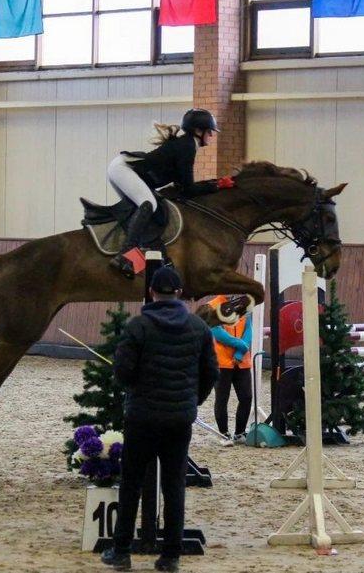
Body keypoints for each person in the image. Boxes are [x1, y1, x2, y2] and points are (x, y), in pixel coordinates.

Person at [101, 266, 219, 572]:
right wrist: (192, 401)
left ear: (152, 292)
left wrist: (135, 387)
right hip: (179, 419)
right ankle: (170, 556)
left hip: (141, 417)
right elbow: (211, 373)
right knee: (174, 484)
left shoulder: (138, 326)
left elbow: (123, 372)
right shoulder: (198, 327)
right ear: (179, 293)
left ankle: (122, 550)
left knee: (131, 484)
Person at [107, 108, 233, 278]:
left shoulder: (186, 144)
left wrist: (214, 184)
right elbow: (189, 189)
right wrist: (216, 186)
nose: (211, 135)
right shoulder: (187, 146)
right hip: (123, 169)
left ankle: (139, 264)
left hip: (124, 169)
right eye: (209, 131)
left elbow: (184, 186)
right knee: (148, 204)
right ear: (198, 131)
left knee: (155, 215)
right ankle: (124, 255)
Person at [207, 295, 253, 447]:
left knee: (246, 397)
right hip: (221, 361)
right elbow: (216, 332)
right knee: (222, 398)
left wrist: (240, 353)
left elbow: (248, 330)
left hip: (242, 361)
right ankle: (223, 433)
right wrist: (240, 345)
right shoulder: (212, 306)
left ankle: (239, 433)